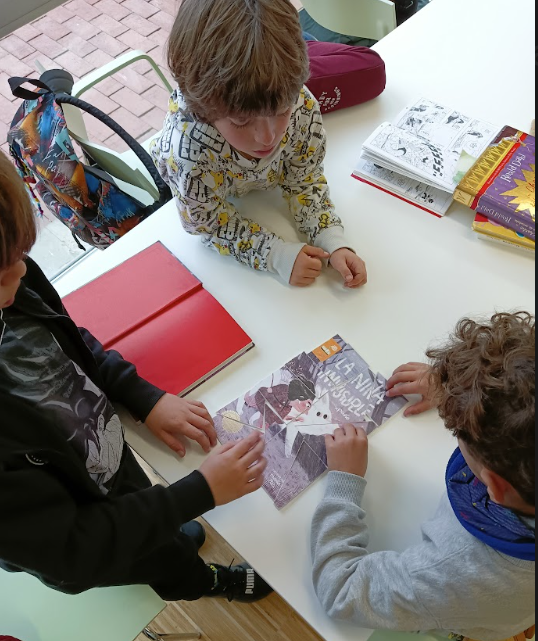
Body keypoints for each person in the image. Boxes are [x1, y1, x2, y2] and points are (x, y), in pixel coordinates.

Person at [0, 150, 272, 603]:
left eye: (19, 254)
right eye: (2, 270)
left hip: (110, 472)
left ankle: (168, 533)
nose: (22, 270)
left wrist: (143, 397)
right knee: (164, 560)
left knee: (156, 527)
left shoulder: (12, 282)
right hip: (88, 529)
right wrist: (197, 493)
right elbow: (74, 551)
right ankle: (203, 582)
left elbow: (70, 342)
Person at [311, 312, 535, 639]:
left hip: (472, 608)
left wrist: (344, 483)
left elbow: (341, 593)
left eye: (458, 430)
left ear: (496, 487)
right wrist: (457, 391)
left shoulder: (456, 571)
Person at [151, 0, 367, 290]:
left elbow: (305, 177)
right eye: (241, 121)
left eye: (281, 111)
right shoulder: (187, 158)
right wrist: (274, 254)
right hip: (205, 189)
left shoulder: (300, 104)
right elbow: (209, 224)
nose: (268, 138)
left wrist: (332, 239)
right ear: (204, 110)